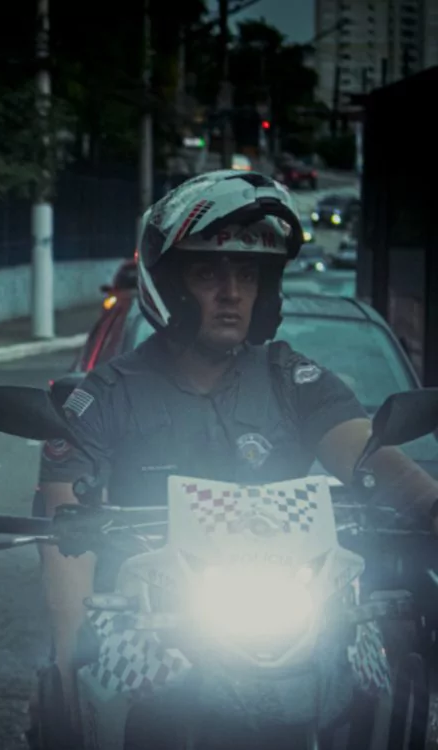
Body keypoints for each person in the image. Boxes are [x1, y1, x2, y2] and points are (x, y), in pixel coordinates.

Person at [34, 170, 438, 746]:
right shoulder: (102, 396)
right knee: (90, 699)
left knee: (386, 680)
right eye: (207, 272)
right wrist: (71, 650)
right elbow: (61, 525)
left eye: (247, 275)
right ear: (169, 284)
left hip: (289, 602)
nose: (232, 293)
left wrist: (430, 502)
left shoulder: (290, 377)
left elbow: (366, 451)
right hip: (149, 618)